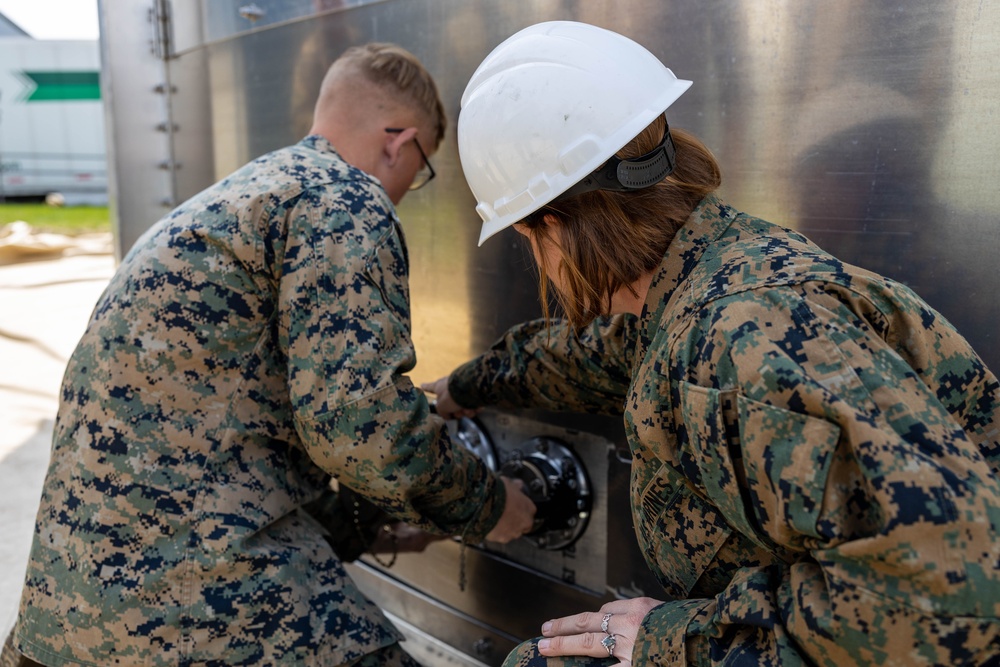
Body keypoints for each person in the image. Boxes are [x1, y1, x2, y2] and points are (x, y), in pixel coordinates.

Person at [424, 21, 1000, 666]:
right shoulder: (713, 272)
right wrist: (463, 386)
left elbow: (953, 597)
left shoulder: (742, 338)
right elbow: (598, 354)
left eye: (525, 238)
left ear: (553, 227)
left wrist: (677, 641)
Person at [2, 42, 535, 667]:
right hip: (191, 609)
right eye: (418, 172)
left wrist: (363, 522)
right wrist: (489, 506)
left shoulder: (235, 198)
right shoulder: (343, 199)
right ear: (398, 140)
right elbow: (361, 428)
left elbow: (224, 438)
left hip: (61, 617)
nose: (404, 191)